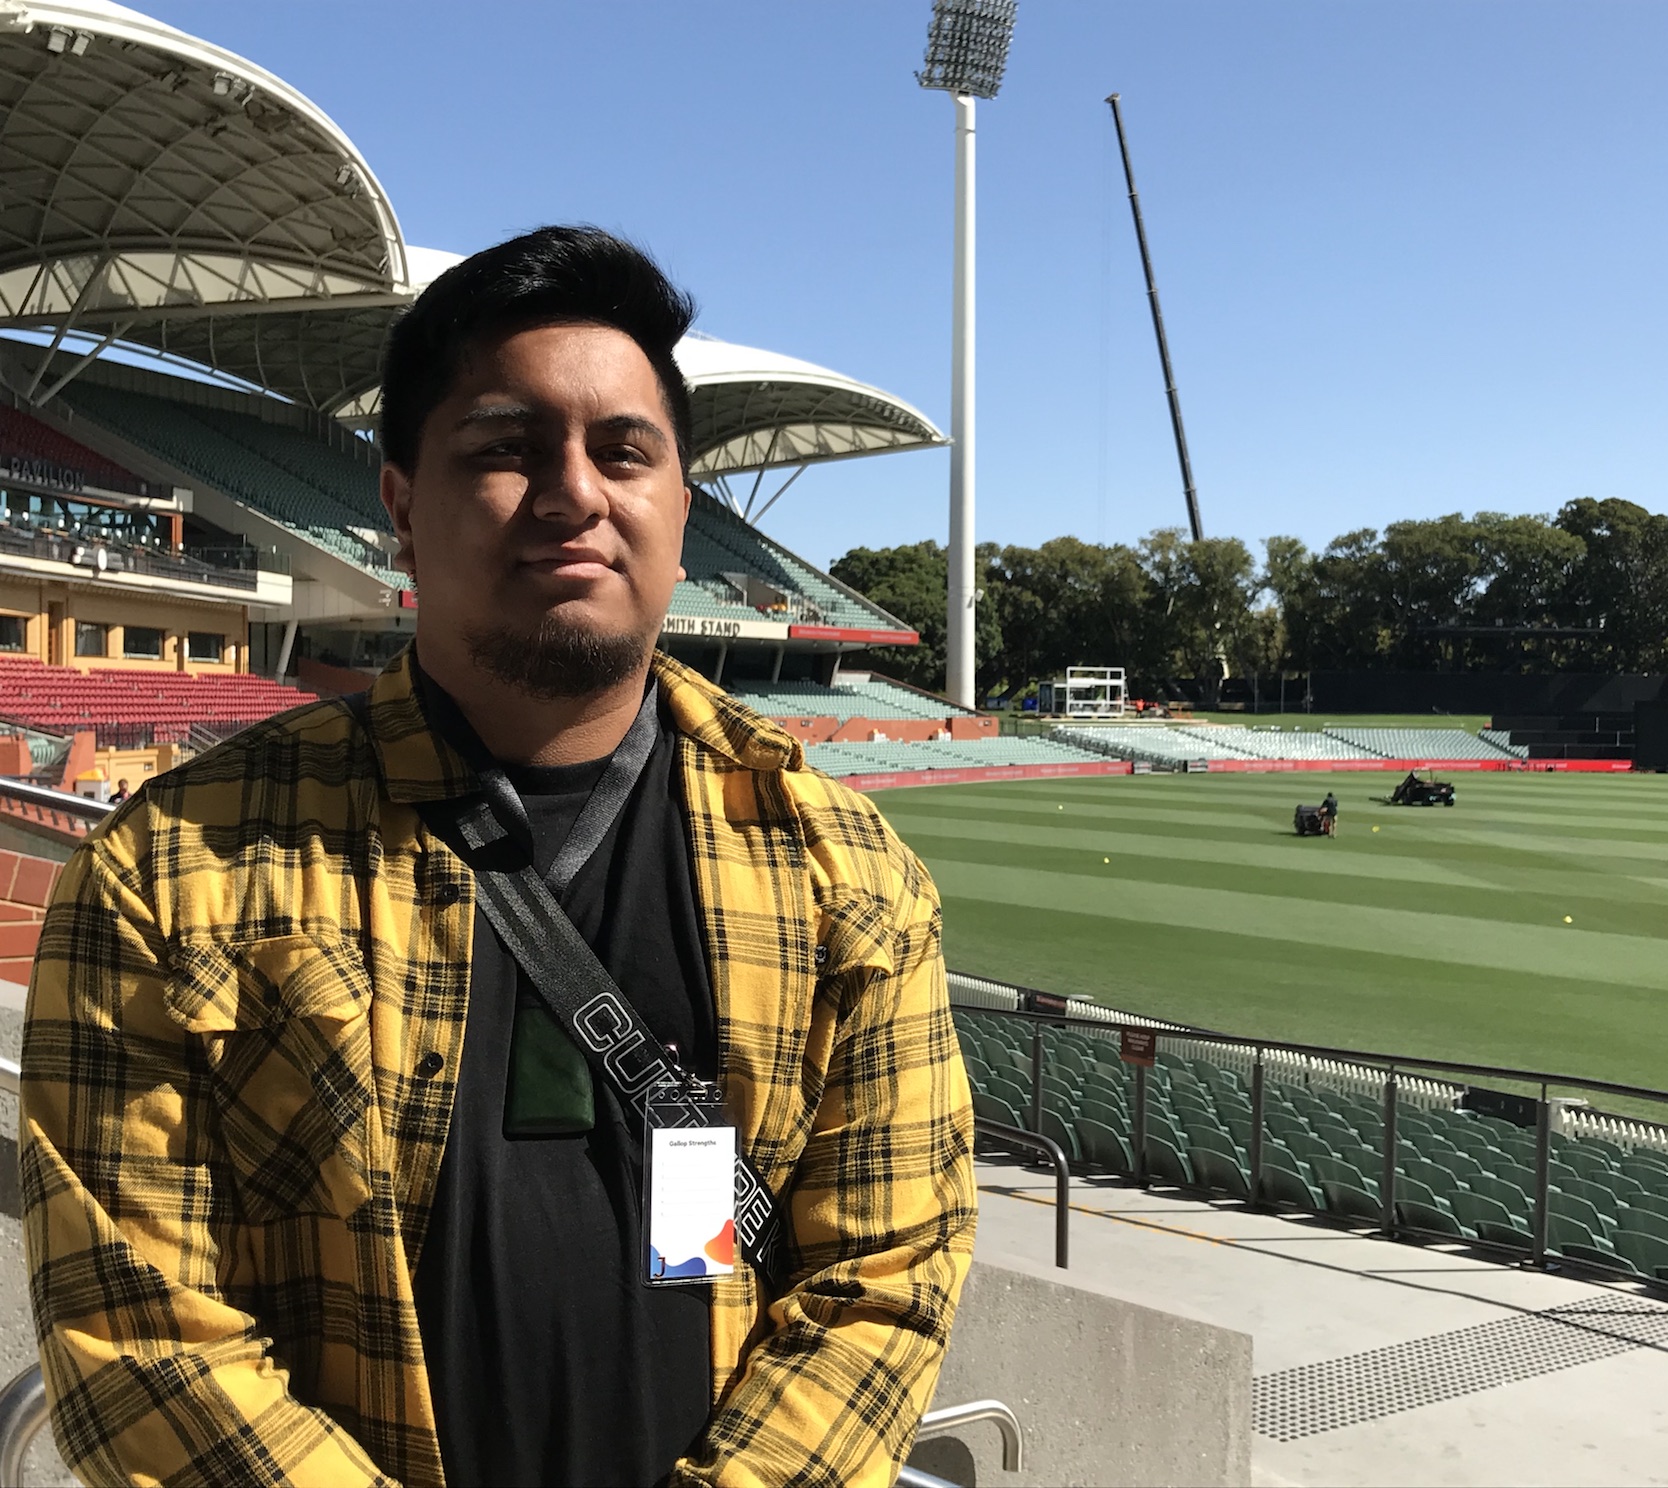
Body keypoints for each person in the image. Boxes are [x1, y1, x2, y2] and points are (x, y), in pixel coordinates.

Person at [22, 227, 976, 1488]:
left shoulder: (843, 873)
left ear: (680, 513)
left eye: (623, 451)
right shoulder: (173, 869)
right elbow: (137, 1332)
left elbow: (886, 1276)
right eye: (505, 448)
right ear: (404, 508)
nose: (574, 490)